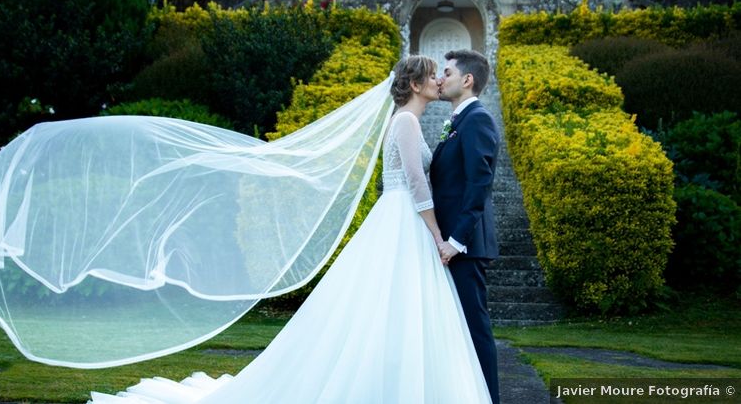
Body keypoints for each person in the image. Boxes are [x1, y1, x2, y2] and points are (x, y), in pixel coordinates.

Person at [90, 55, 491, 404]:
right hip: (404, 220)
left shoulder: (409, 121)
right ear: (417, 84)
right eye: (434, 76)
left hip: (403, 220)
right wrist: (439, 236)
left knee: (398, 310)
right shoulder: (405, 122)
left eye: (445, 74)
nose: (441, 80)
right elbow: (418, 185)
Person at [430, 49, 501, 404]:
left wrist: (456, 240)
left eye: (447, 72)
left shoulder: (478, 119)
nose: (440, 79)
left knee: (475, 330)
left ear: (467, 79)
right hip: (451, 244)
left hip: (466, 246)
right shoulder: (458, 120)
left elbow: (479, 183)